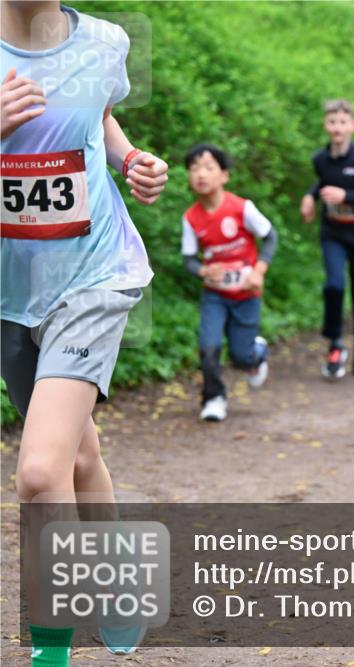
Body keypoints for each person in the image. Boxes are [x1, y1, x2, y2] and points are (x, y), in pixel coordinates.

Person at [1, 2, 168, 663]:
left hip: (96, 277)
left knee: (40, 471)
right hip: (12, 296)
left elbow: (98, 113)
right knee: (76, 456)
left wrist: (130, 160)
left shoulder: (105, 41)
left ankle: (51, 646)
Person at [181, 144, 277, 421]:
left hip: (246, 293)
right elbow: (189, 260)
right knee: (208, 347)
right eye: (195, 168)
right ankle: (214, 398)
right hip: (215, 295)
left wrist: (259, 270)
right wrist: (203, 271)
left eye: (209, 168)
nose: (201, 175)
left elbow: (271, 236)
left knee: (241, 357)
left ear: (224, 175)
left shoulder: (242, 208)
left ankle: (256, 353)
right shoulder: (190, 218)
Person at [300, 99, 354, 380]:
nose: (337, 128)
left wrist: (346, 197)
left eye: (343, 122)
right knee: (334, 284)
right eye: (332, 122)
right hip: (333, 231)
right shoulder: (320, 159)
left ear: (353, 126)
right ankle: (334, 343)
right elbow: (322, 182)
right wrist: (310, 197)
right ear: (326, 125)